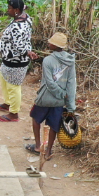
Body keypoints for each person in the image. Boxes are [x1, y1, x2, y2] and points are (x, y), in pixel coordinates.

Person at [27, 31, 76, 161]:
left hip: (45, 98)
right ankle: (48, 151)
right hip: (60, 101)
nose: (48, 43)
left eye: (51, 42)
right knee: (54, 125)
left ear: (55, 46)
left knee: (36, 119)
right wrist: (69, 104)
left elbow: (49, 83)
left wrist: (59, 93)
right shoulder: (70, 61)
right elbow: (71, 83)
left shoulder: (48, 60)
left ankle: (38, 146)